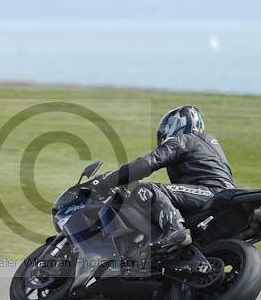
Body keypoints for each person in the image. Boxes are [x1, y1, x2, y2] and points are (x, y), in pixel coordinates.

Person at [98, 105, 235, 253]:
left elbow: (149, 162)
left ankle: (174, 230)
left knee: (147, 189)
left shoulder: (184, 139)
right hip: (224, 195)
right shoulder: (209, 144)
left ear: (178, 124)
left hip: (210, 192)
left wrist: (113, 178)